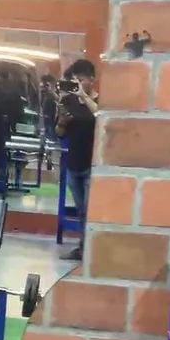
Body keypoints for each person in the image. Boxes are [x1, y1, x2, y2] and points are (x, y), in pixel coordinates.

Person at [56, 58, 99, 262]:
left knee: (91, 212)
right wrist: (62, 122)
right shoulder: (68, 102)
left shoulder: (100, 101)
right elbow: (59, 133)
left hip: (92, 166)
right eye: (75, 81)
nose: (78, 84)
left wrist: (84, 97)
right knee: (81, 211)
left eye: (81, 80)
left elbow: (101, 117)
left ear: (92, 79)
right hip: (73, 165)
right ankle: (83, 248)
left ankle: (90, 250)